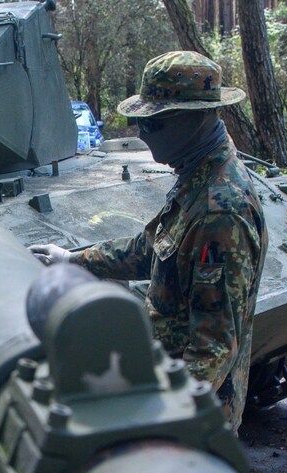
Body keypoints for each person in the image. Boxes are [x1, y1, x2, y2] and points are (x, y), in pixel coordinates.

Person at [31, 52, 266, 432]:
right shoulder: (197, 177)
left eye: (152, 123)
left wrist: (154, 422)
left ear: (195, 118)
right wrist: (73, 259)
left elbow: (213, 349)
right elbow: (151, 249)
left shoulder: (220, 211)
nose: (140, 134)